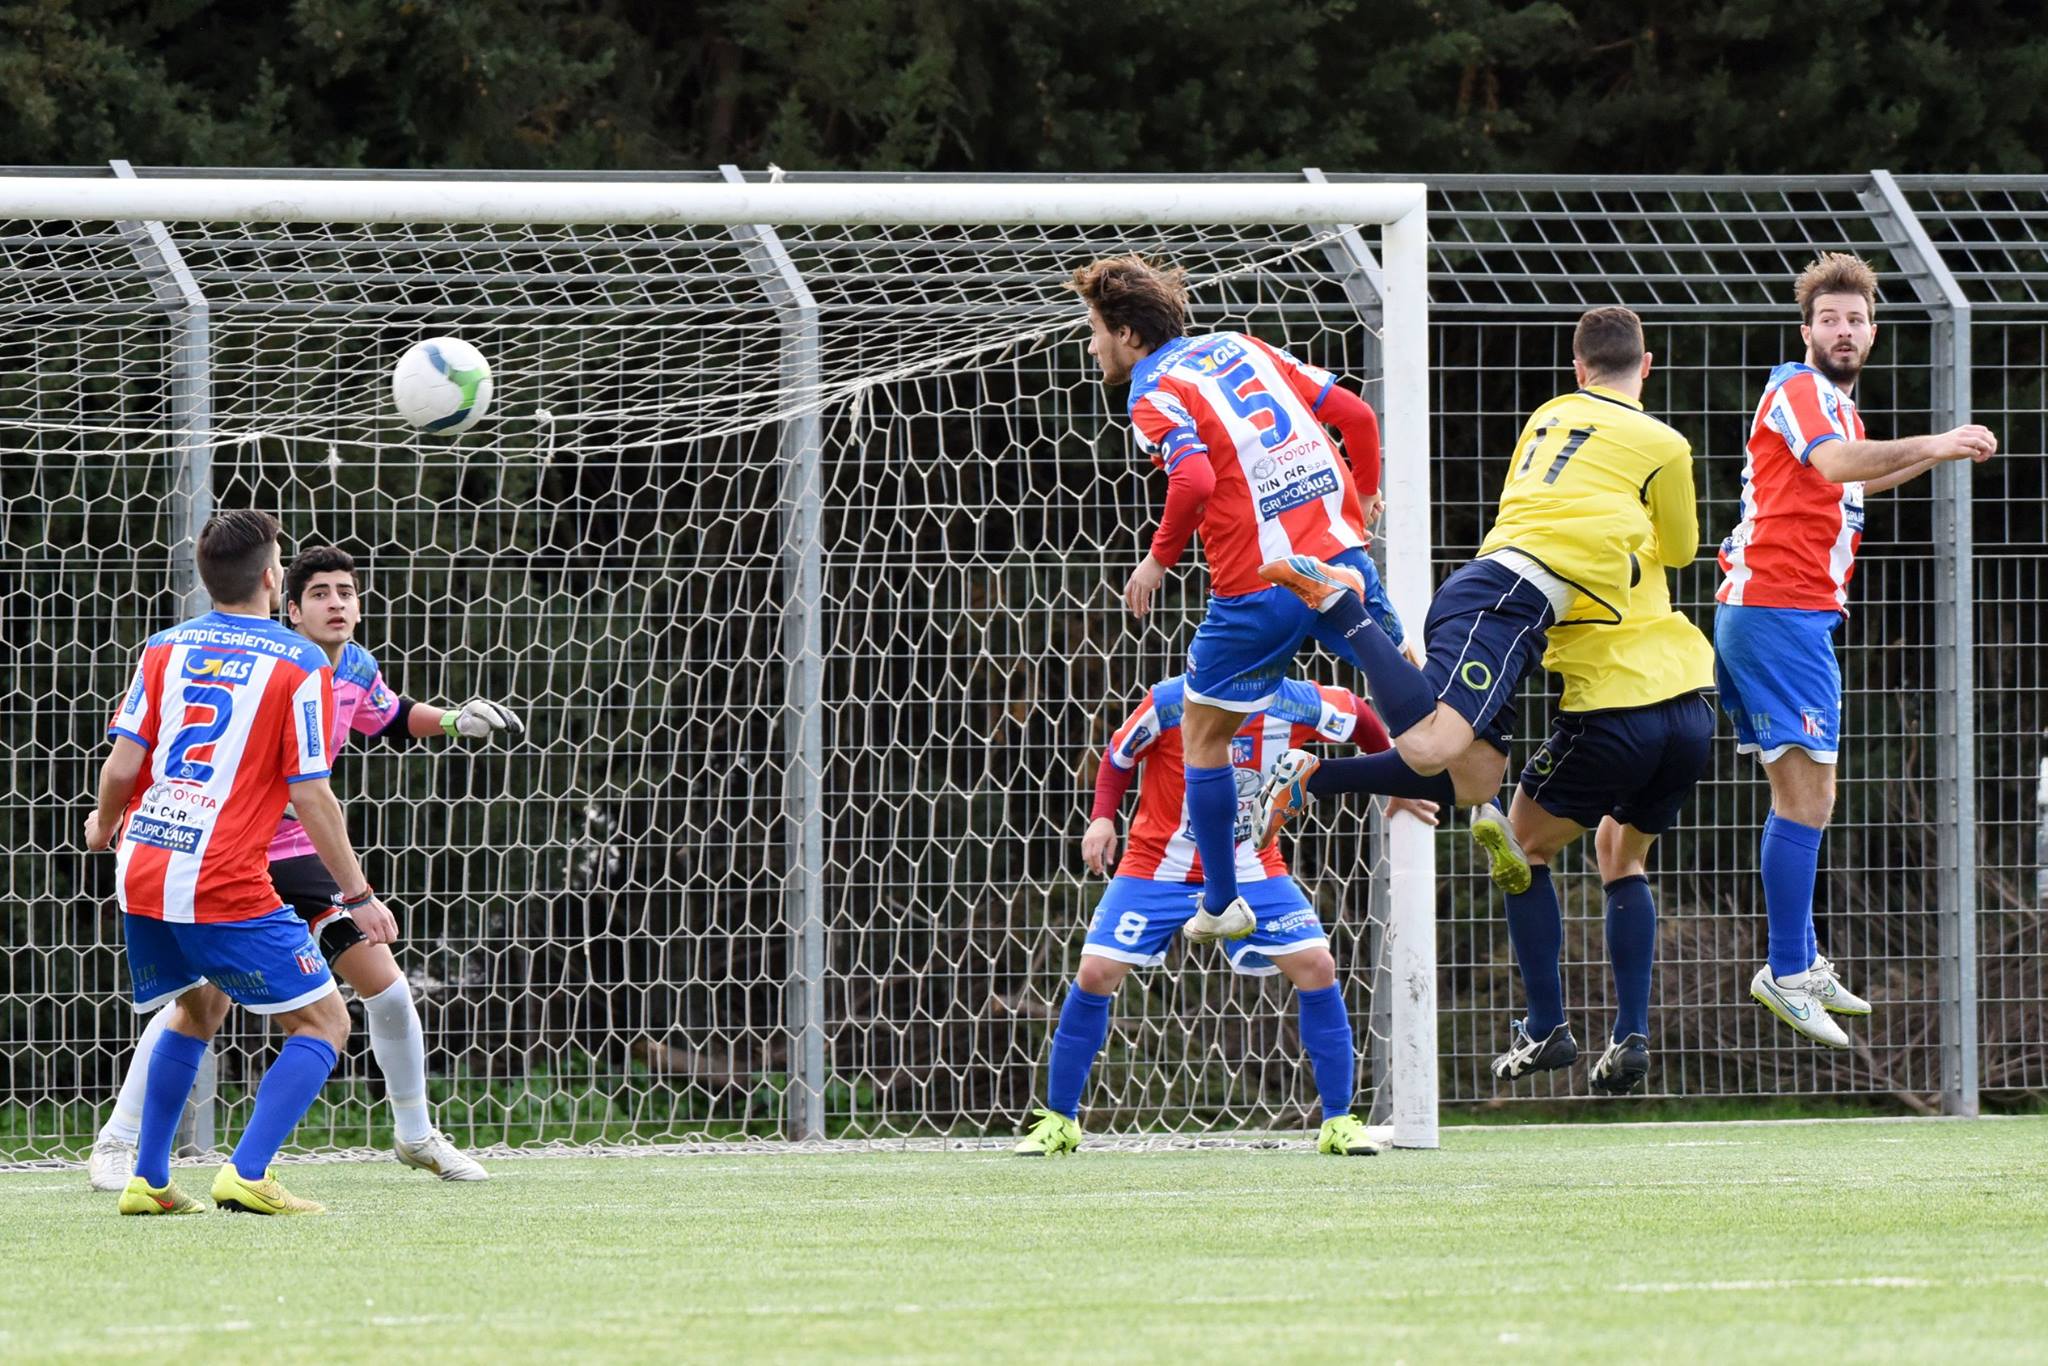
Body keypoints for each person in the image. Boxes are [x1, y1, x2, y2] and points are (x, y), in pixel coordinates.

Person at [87, 545, 521, 1189]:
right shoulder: (284, 666)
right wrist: (360, 891)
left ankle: (415, 1134)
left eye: (346, 591)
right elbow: (305, 791)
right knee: (202, 1004)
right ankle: (121, 1143)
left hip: (295, 858)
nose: (336, 602)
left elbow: (393, 717)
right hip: (235, 854)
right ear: (286, 605)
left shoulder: (355, 668)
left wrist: (457, 719)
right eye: (319, 593)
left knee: (388, 987)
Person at [1256, 307, 1700, 897]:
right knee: (1429, 744)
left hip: (1512, 601)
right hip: (1507, 596)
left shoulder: (1549, 414)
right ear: (1646, 366)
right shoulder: (1663, 444)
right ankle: (1343, 606)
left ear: (1578, 370)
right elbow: (1680, 550)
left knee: (1475, 780)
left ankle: (1312, 776)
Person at [1072, 253, 1406, 948]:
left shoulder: (1151, 388)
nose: (1092, 342)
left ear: (1129, 335)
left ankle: (1223, 899)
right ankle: (1480, 799)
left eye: (1096, 327)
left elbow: (1191, 479)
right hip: (1344, 560)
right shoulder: (1242, 345)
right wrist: (1364, 497)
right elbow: (1355, 416)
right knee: (1420, 707)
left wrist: (1156, 560)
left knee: (1204, 734)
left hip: (1259, 589)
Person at [1715, 253, 1997, 1047]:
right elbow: (1835, 466)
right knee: (1809, 801)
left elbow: (1853, 480)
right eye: (1830, 319)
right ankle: (1786, 967)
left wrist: (1931, 454)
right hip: (1777, 608)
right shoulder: (1800, 389)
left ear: (1872, 333)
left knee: (1805, 798)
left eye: (1856, 320)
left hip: (1784, 611)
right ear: (1807, 330)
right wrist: (1940, 437)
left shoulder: (1837, 406)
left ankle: (1796, 960)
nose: (1844, 331)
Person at [84, 510, 395, 1215]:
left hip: (144, 859)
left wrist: (104, 823)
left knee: (198, 1007)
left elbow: (124, 762)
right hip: (220, 872)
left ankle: (150, 1180)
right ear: (270, 577)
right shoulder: (301, 661)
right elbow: (310, 792)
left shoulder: (163, 647)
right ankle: (248, 1172)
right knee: (324, 1024)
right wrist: (357, 896)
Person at [1012, 674, 1437, 1158]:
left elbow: (1361, 715)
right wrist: (1103, 817)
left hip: (1252, 867)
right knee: (1094, 973)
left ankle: (1338, 1121)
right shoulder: (1173, 701)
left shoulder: (1297, 702)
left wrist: (1396, 784)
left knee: (1318, 966)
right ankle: (1060, 1122)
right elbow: (1119, 754)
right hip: (1157, 868)